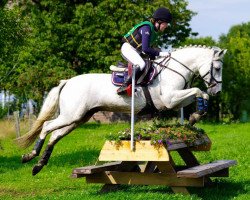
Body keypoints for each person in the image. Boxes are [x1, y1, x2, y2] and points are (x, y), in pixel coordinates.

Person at [117, 7, 172, 95]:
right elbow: (145, 49)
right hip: (128, 49)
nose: (166, 26)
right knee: (141, 64)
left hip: (135, 51)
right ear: (159, 21)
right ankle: (124, 86)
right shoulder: (146, 27)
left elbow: (149, 51)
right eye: (165, 23)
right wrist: (161, 53)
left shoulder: (154, 32)